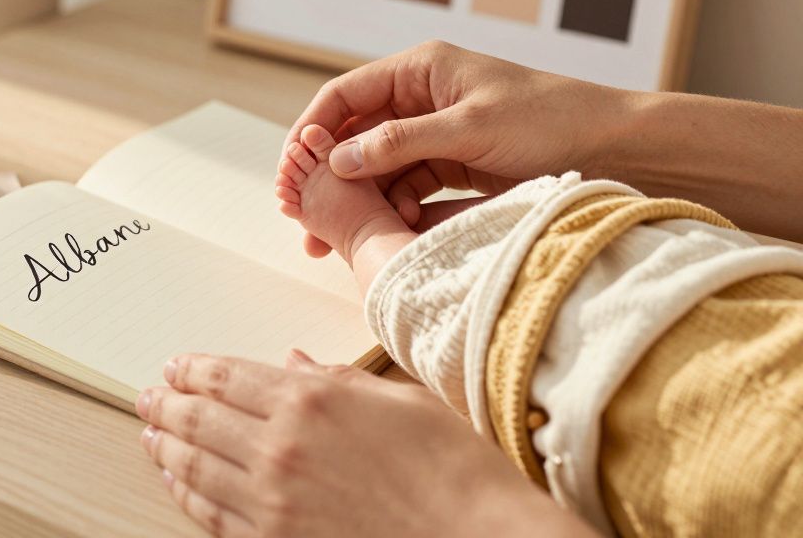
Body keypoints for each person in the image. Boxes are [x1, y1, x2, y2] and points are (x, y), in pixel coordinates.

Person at [135, 41, 803, 537]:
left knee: (477, 301)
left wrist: (452, 509)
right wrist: (607, 127)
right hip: (728, 288)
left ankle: (370, 235)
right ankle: (385, 236)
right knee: (516, 275)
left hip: (677, 371)